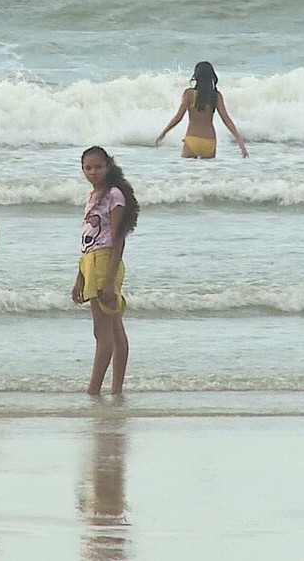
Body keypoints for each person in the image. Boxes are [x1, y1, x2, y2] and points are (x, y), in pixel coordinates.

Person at [72, 146, 139, 395]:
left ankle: (94, 390)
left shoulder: (114, 195)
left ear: (108, 166)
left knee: (102, 331)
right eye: (88, 168)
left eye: (98, 167)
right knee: (113, 327)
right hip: (90, 261)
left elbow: (118, 237)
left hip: (105, 262)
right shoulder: (94, 196)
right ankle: (116, 390)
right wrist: (79, 277)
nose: (93, 172)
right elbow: (87, 239)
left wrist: (110, 278)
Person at [155, 61, 249, 159]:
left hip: (192, 140)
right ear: (212, 77)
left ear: (196, 76)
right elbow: (226, 119)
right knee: (207, 173)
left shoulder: (189, 94)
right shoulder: (216, 96)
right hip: (209, 142)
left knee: (187, 173)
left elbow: (178, 117)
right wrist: (240, 142)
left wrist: (163, 133)